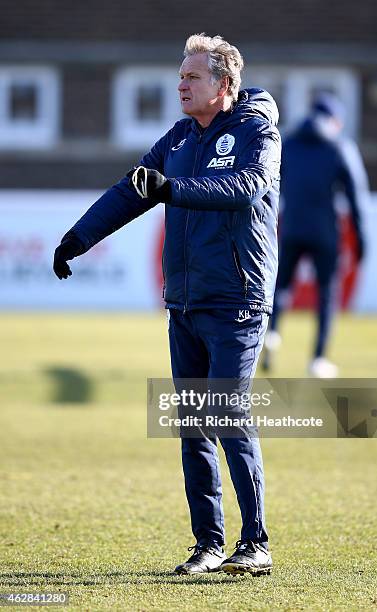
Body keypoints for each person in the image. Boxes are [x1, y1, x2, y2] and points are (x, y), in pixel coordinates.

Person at [53, 34, 281, 575]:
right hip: (185, 302)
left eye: (193, 76)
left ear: (223, 85)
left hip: (237, 299)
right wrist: (78, 239)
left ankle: (256, 543)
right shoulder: (180, 137)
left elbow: (248, 187)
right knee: (194, 425)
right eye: (180, 76)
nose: (181, 84)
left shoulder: (256, 131)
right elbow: (132, 190)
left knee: (227, 415)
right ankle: (208, 545)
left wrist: (172, 190)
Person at [261, 93, 368, 378]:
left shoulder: (289, 144)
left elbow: (270, 187)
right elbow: (356, 199)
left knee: (280, 288)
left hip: (292, 226)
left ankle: (271, 334)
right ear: (335, 120)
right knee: (325, 294)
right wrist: (360, 241)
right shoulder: (339, 147)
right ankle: (318, 358)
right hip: (324, 231)